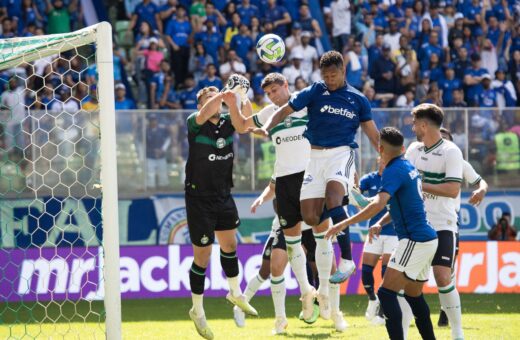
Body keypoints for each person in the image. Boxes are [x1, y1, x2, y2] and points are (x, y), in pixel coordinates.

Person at [250, 51, 380, 319]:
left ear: (343, 72)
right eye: (325, 76)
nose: (329, 80)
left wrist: (386, 159)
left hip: (341, 153)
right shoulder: (315, 91)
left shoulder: (358, 99)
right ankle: (349, 197)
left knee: (332, 199)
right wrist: (268, 127)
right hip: (314, 156)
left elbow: (371, 132)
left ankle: (346, 259)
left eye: (333, 75)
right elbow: (285, 109)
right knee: (310, 215)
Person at [249, 73, 346, 329]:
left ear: (286, 86)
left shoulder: (306, 103)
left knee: (325, 242)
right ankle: (302, 297)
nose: (272, 96)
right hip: (285, 185)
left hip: (311, 177)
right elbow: (243, 123)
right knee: (282, 257)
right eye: (268, 93)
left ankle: (331, 305)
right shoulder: (270, 113)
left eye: (275, 90)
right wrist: (235, 99)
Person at [326, 127, 437, 340]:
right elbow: (398, 204)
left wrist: (343, 223)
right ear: (403, 148)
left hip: (415, 239)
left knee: (386, 294)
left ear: (380, 148)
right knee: (414, 297)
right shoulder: (406, 166)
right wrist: (377, 220)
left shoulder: (393, 170)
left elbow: (378, 203)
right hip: (426, 239)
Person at [185, 83, 256, 339]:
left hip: (223, 194)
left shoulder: (227, 121)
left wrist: (241, 96)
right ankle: (197, 310)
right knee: (202, 258)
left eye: (216, 96)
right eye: (208, 97)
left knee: (230, 246)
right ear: (201, 103)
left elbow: (246, 125)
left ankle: (235, 293)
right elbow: (207, 110)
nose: (215, 100)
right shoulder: (195, 121)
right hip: (199, 198)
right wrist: (226, 93)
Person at [405, 103, 464, 340]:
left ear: (424, 125)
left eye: (414, 123)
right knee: (408, 282)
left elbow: (452, 189)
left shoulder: (451, 151)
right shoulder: (413, 150)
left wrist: (420, 183)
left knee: (442, 277)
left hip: (442, 224)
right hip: (416, 224)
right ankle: (402, 332)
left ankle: (456, 331)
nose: (412, 127)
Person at [358, 157, 398, 326]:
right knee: (366, 271)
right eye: (382, 161)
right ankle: (373, 299)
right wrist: (354, 191)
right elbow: (357, 197)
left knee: (386, 273)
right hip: (374, 231)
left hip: (393, 232)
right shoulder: (369, 179)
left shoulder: (396, 178)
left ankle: (382, 310)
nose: (384, 164)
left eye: (387, 161)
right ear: (378, 161)